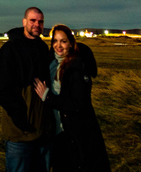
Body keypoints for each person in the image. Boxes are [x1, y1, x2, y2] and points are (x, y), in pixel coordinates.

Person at [34, 24, 111, 172]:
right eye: (55, 41)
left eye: (63, 41)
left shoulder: (76, 68)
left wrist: (47, 96)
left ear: (71, 43)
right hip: (57, 129)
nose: (59, 45)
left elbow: (78, 104)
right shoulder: (52, 64)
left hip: (73, 131)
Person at [0, 7, 53, 172]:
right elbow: (2, 91)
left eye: (40, 22)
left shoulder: (43, 48)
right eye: (33, 20)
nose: (37, 24)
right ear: (24, 22)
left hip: (43, 133)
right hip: (20, 134)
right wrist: (20, 119)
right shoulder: (9, 49)